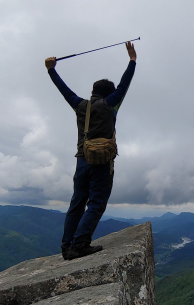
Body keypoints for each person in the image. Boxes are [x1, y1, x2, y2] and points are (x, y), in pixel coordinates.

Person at [45, 41, 136, 260]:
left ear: (93, 92)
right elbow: (125, 85)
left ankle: (67, 247)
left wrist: (51, 70)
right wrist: (132, 60)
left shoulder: (80, 105)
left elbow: (64, 90)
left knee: (77, 203)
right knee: (96, 202)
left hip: (82, 160)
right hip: (102, 162)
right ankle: (81, 244)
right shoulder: (110, 104)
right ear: (109, 94)